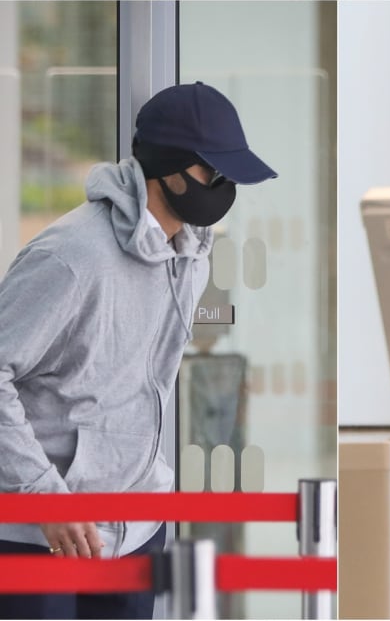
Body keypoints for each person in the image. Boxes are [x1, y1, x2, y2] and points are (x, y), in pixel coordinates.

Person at [0, 81, 277, 619]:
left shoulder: (191, 254)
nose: (224, 188)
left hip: (136, 529)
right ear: (168, 169)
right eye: (213, 172)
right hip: (44, 534)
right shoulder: (72, 256)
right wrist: (45, 497)